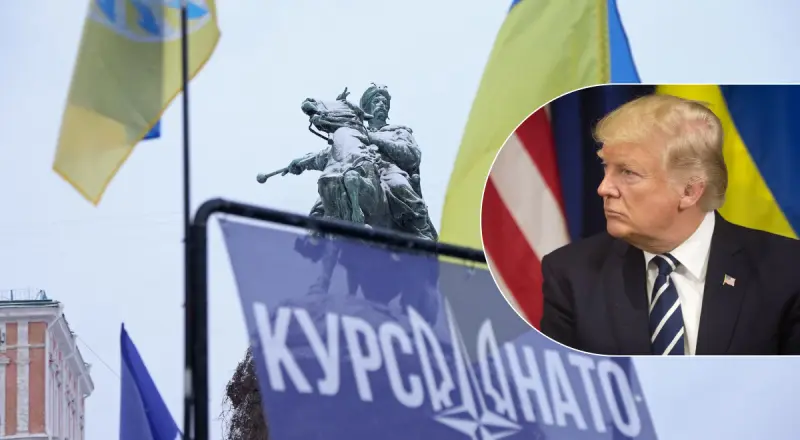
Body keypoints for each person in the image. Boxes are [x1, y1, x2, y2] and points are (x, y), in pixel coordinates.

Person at [539, 94, 800, 356]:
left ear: (689, 191)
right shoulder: (571, 273)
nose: (604, 188)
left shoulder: (788, 271)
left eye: (628, 172)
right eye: (606, 168)